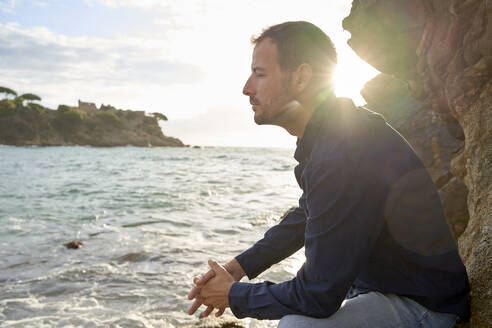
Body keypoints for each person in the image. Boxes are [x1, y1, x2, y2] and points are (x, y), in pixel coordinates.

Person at [187, 21, 470, 327]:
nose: (247, 88)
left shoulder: (342, 151)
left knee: (297, 326)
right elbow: (308, 214)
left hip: (423, 305)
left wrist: (233, 296)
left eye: (260, 74)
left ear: (302, 77)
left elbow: (317, 296)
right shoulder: (332, 135)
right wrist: (237, 268)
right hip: (384, 289)